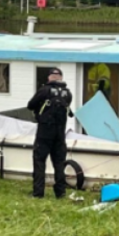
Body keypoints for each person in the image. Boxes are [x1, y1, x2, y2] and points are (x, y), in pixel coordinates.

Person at [27, 68, 74, 198]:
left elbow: (30, 105)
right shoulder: (68, 93)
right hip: (60, 133)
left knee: (39, 161)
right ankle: (60, 192)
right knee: (59, 163)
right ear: (61, 77)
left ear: (49, 78)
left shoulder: (44, 91)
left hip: (44, 132)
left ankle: (38, 193)